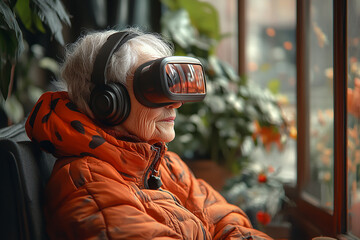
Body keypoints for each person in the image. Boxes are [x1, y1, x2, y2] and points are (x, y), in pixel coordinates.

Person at [25, 28, 272, 239]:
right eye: (155, 89)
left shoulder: (164, 164)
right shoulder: (89, 185)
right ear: (108, 102)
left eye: (171, 86)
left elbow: (226, 220)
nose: (175, 104)